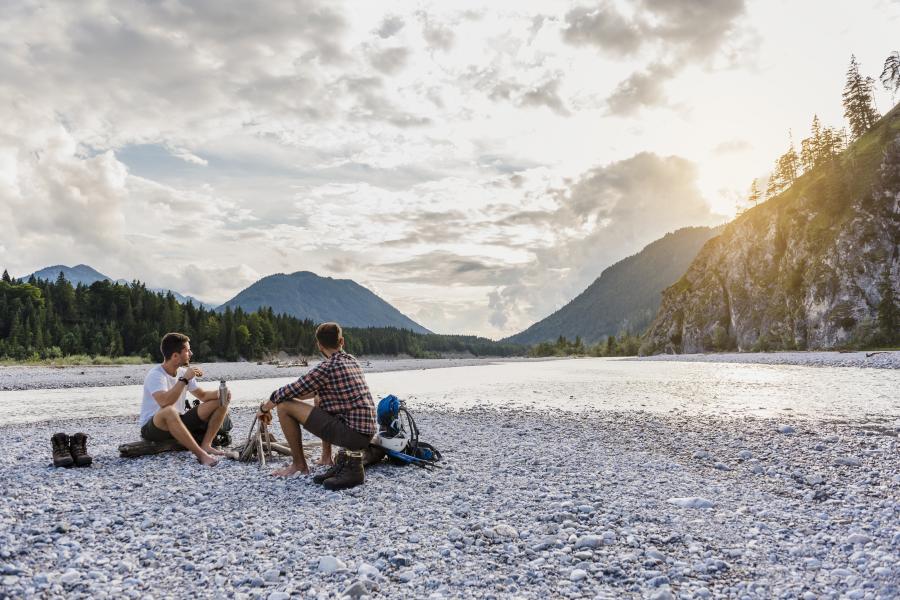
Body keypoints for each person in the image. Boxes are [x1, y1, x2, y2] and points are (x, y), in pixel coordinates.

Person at [258, 322, 376, 489]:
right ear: (341, 341)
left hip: (352, 436)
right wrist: (279, 401)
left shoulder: (326, 368)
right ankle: (326, 458)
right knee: (319, 395)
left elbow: (290, 391)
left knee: (284, 406)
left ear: (319, 345)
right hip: (366, 433)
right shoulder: (351, 360)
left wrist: (265, 408)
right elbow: (307, 391)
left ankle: (299, 465)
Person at [140, 332, 232, 467]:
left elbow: (203, 396)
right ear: (175, 356)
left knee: (222, 401)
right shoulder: (156, 375)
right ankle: (201, 455)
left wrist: (220, 393)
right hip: (154, 428)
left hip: (178, 422)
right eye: (187, 351)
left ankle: (206, 444)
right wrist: (184, 380)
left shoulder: (183, 373)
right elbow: (165, 403)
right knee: (169, 411)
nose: (191, 353)